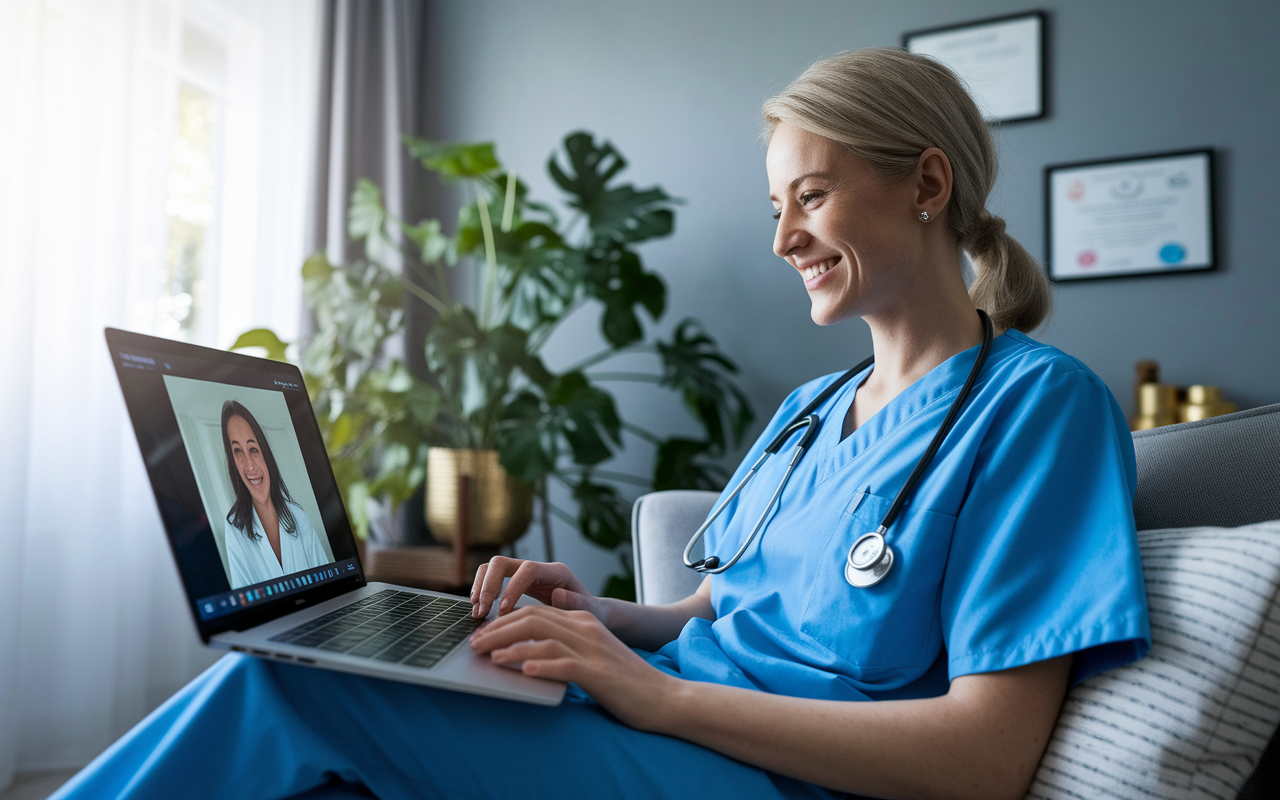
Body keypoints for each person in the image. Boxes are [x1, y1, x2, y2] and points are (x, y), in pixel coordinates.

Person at [51, 48, 1149, 800]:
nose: (782, 241)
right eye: (775, 208)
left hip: (764, 774)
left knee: (285, 679)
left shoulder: (1036, 405)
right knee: (340, 682)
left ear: (925, 182)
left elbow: (985, 758)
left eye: (808, 198)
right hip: (663, 717)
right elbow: (722, 608)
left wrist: (652, 692)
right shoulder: (813, 410)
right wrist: (604, 620)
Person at [220, 400, 331, 588]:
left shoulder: (299, 517)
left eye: (253, 449)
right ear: (232, 461)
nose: (249, 466)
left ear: (266, 453)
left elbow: (330, 585)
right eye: (237, 451)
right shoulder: (234, 529)